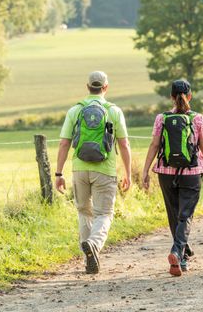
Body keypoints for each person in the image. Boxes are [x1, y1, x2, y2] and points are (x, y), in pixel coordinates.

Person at [55, 71, 131, 274]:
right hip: (105, 169)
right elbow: (123, 144)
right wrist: (128, 173)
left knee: (83, 212)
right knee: (104, 213)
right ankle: (94, 245)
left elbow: (64, 143)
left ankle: (88, 255)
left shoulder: (75, 110)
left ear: (87, 87)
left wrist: (58, 173)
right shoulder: (114, 111)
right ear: (106, 87)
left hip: (79, 169)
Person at [142, 79, 203, 277]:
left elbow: (154, 145)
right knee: (185, 215)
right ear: (190, 96)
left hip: (165, 173)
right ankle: (177, 252)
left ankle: (182, 255)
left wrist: (145, 171)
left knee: (174, 214)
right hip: (192, 173)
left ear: (171, 97)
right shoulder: (197, 118)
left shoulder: (162, 118)